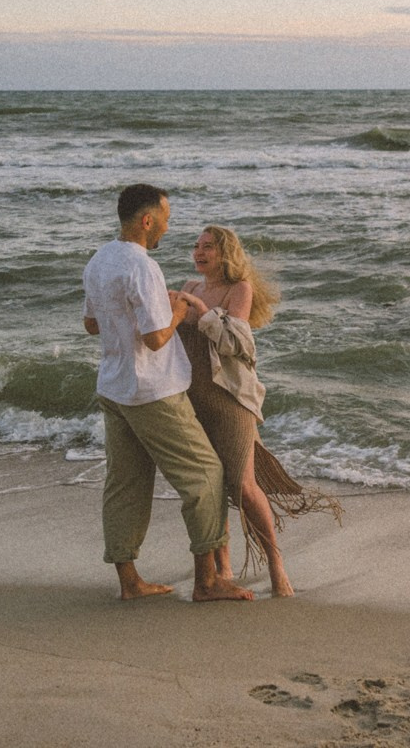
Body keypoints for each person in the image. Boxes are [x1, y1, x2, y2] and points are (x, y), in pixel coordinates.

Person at [82, 183, 252, 603]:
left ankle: (129, 581)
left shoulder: (99, 260)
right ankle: (208, 581)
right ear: (146, 220)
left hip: (114, 386)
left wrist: (135, 314)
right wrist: (177, 307)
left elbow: (91, 324)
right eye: (166, 219)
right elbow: (157, 338)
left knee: (125, 482)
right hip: (153, 391)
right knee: (205, 477)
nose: (168, 227)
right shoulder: (142, 266)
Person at [171, 224, 300, 596]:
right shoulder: (191, 286)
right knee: (211, 485)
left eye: (208, 247)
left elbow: (233, 342)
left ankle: (276, 564)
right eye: (196, 245)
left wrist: (196, 308)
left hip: (229, 400)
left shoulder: (238, 289)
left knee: (243, 485)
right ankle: (221, 567)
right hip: (192, 396)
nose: (199, 252)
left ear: (225, 253)